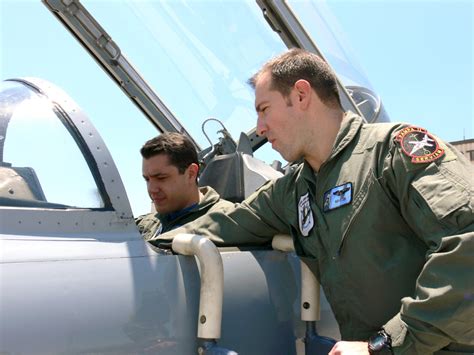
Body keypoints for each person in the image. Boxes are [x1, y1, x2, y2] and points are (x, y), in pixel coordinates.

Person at [148, 49, 474, 354]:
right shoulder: (294, 189)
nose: (260, 128)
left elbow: (467, 243)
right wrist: (144, 239)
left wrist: (385, 343)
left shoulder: (393, 152)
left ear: (301, 95)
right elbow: (226, 223)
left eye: (264, 110)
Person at [135, 132, 233, 242]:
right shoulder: (145, 224)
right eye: (147, 179)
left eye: (161, 178)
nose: (152, 189)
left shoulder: (226, 221)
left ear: (191, 173)